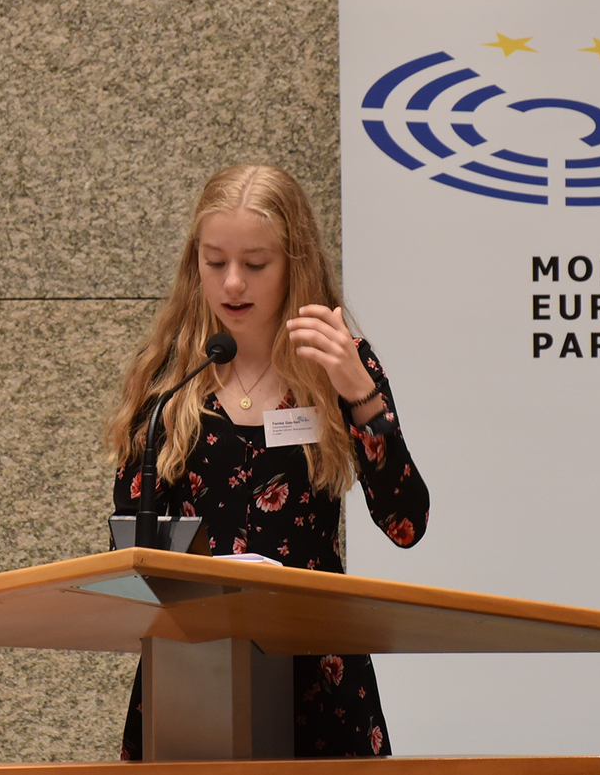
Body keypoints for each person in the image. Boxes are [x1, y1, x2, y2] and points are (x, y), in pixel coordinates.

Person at [104, 163, 429, 759]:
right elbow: (131, 546)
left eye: (255, 264)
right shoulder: (169, 377)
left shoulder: (340, 364)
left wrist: (361, 395)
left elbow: (406, 524)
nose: (232, 283)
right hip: (192, 671)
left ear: (293, 264)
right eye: (214, 262)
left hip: (318, 670)